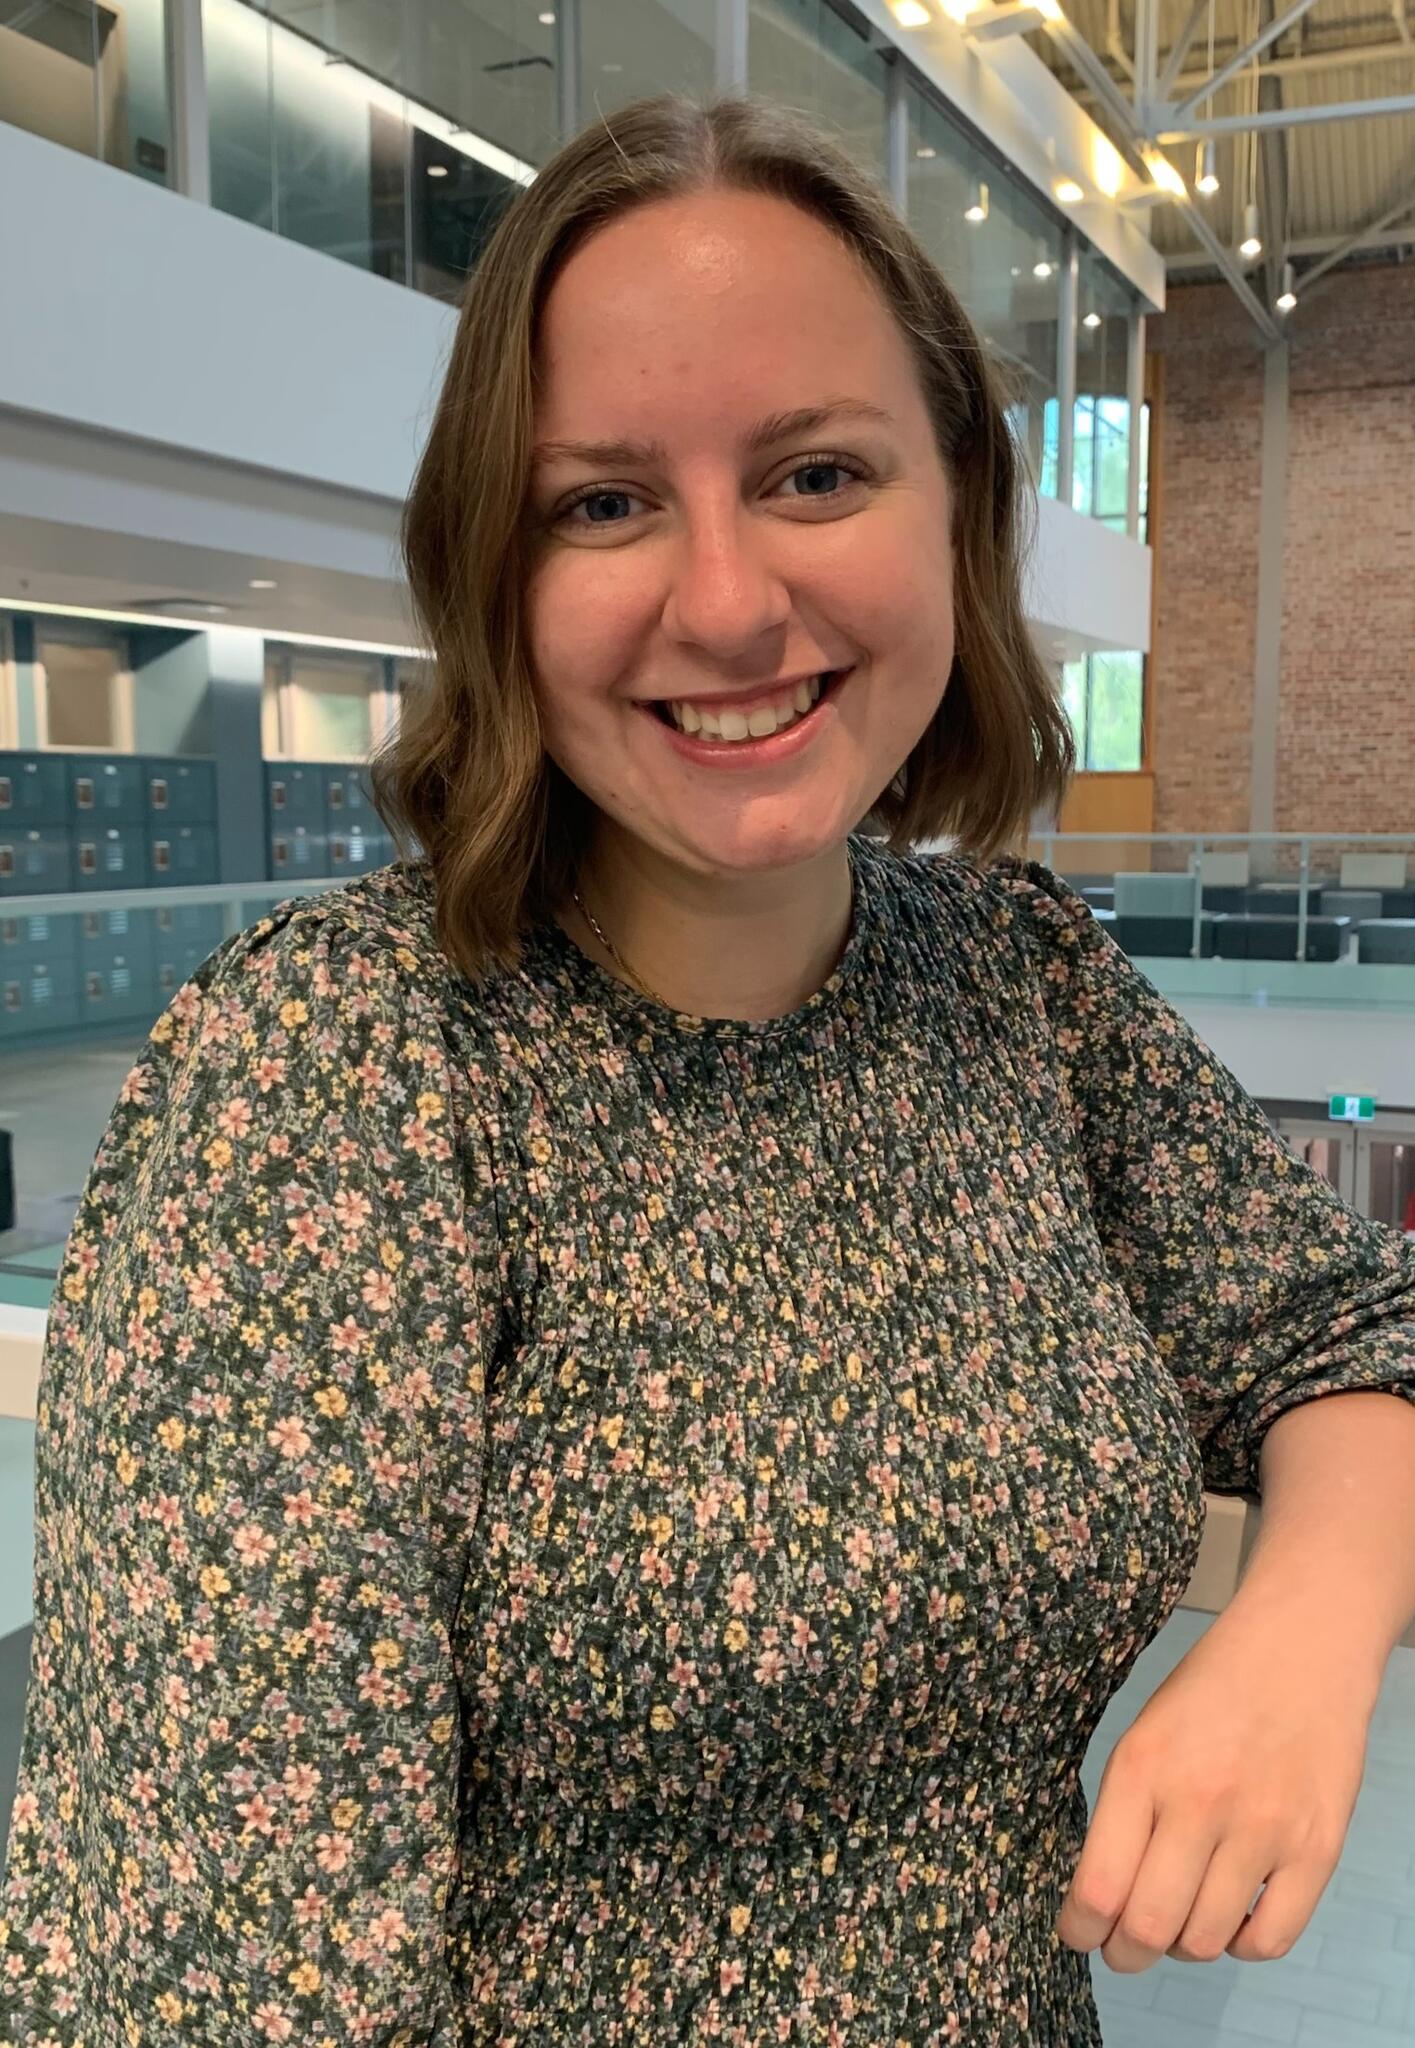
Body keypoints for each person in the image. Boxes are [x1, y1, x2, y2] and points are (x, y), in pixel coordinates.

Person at [3, 90, 1414, 2048]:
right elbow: (226, 1969)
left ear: (960, 507)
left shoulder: (1017, 984)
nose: (731, 600)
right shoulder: (335, 1067)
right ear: (495, 575)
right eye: (603, 502)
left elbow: (1346, 1330)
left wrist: (1311, 1629)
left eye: (817, 472)